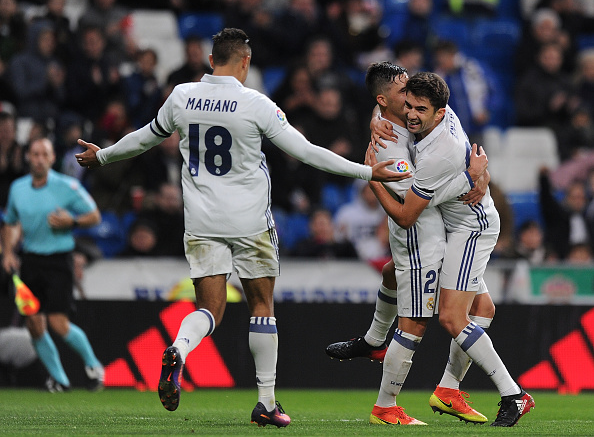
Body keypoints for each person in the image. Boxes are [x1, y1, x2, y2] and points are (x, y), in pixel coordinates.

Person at [74, 28, 406, 427]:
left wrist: (103, 155)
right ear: (245, 62)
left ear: (211, 60)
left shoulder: (181, 96)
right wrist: (368, 171)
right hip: (249, 221)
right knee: (261, 308)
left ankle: (179, 348)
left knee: (209, 309)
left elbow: (145, 138)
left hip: (201, 221)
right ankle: (266, 401)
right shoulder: (255, 104)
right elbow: (306, 152)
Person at [365, 71, 535, 427]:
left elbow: (407, 215)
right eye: (408, 105)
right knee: (482, 308)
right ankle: (448, 389)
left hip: (472, 227)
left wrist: (372, 177)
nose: (411, 114)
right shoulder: (441, 112)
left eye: (420, 110)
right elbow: (390, 102)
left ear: (440, 113)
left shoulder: (438, 153)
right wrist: (376, 118)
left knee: (451, 317)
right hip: (457, 222)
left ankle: (513, 394)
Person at [326, 62, 491, 426]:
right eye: (405, 93)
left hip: (443, 233)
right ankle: (386, 406)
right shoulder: (390, 148)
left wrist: (481, 173)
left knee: (482, 306)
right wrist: (467, 178)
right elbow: (408, 213)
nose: (413, 94)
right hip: (420, 241)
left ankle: (437, 381)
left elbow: (457, 138)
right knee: (414, 323)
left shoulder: (411, 119)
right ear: (387, 100)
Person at [1, 137, 104, 392]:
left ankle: (93, 366)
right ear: (28, 157)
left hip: (59, 261)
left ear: (51, 158)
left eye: (43, 154)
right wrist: (7, 253)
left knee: (58, 323)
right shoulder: (18, 188)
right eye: (34, 154)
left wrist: (73, 222)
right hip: (30, 263)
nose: (38, 159)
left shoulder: (67, 186)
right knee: (34, 324)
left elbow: (95, 216)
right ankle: (60, 379)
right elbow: (11, 222)